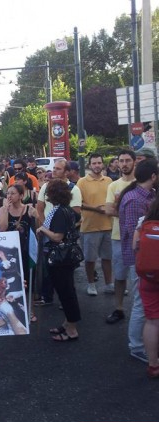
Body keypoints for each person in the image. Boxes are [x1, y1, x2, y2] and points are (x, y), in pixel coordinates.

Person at [117, 159, 158, 364]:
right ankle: (137, 346)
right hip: (140, 260)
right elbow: (135, 238)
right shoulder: (134, 199)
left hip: (147, 260)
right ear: (153, 176)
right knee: (141, 304)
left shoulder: (147, 195)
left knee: (145, 304)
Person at [38, 179, 82, 342]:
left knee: (66, 293)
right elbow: (78, 218)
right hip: (68, 257)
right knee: (67, 291)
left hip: (61, 258)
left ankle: (71, 329)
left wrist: (43, 229)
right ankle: (67, 323)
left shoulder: (58, 212)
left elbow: (57, 236)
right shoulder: (67, 210)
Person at [104, 150, 136, 325]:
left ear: (134, 162)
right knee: (120, 275)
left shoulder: (143, 183)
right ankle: (119, 308)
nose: (124, 164)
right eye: (121, 161)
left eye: (127, 160)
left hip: (140, 237)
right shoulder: (114, 186)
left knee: (140, 276)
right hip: (118, 236)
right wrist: (133, 214)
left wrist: (121, 211)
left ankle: (141, 310)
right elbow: (108, 210)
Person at [0, 184, 39, 322]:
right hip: (10, 251)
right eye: (8, 193)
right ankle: (12, 309)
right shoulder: (3, 209)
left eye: (13, 193)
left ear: (21, 195)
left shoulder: (28, 209)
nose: (9, 196)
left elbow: (38, 226)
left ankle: (30, 309)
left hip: (26, 250)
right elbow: (2, 228)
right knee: (13, 280)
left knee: (28, 279)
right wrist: (5, 210)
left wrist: (36, 215)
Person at [77, 153, 114, 296]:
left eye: (99, 163)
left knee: (107, 258)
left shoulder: (109, 180)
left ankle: (109, 284)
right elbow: (78, 203)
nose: (97, 165)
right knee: (90, 259)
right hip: (89, 227)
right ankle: (91, 284)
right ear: (89, 165)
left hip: (108, 225)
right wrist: (95, 209)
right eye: (94, 163)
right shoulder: (82, 182)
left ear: (103, 164)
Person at [133, 195, 159, 377]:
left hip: (149, 278)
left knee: (152, 321)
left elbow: (135, 247)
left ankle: (153, 365)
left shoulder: (143, 222)